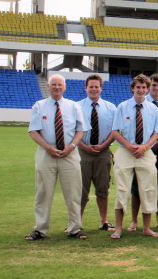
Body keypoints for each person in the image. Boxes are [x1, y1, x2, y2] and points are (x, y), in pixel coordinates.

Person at [26, 74, 88, 241]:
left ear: (64, 87)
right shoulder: (39, 106)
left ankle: (75, 228)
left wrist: (72, 146)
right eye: (53, 85)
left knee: (74, 192)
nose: (57, 88)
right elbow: (33, 131)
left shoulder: (73, 106)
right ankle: (40, 229)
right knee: (43, 192)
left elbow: (80, 130)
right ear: (48, 86)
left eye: (59, 85)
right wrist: (48, 148)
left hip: (70, 154)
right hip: (46, 154)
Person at [110, 74, 158, 239]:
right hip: (126, 151)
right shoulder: (122, 107)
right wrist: (130, 146)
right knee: (122, 189)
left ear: (147, 89)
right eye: (138, 87)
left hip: (146, 152)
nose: (141, 90)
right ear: (132, 88)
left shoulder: (153, 109)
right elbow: (114, 132)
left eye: (143, 88)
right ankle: (118, 228)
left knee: (148, 189)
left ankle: (146, 228)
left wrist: (145, 147)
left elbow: (157, 133)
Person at [129, 73, 158, 231]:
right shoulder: (141, 103)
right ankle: (134, 220)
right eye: (153, 85)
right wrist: (147, 145)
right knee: (137, 185)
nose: (156, 88)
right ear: (148, 87)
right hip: (142, 149)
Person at [77, 74, 116, 231]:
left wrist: (104, 145)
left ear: (101, 88)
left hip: (103, 152)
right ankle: (75, 222)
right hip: (82, 152)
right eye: (91, 86)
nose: (94, 89)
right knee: (80, 189)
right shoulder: (77, 107)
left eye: (96, 86)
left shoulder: (111, 108)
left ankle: (104, 221)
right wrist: (84, 146)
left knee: (103, 188)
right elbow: (72, 131)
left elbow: (115, 130)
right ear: (86, 88)